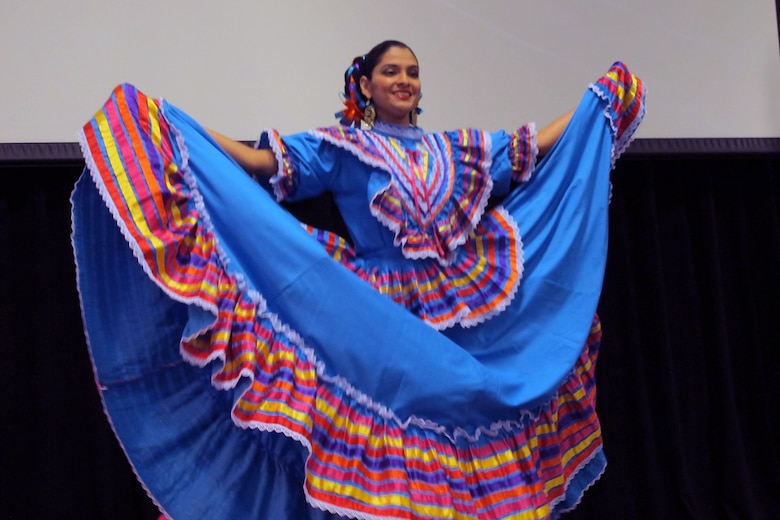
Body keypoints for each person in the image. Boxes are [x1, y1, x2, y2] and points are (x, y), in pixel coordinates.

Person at [71, 39, 645, 519]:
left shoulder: (459, 150)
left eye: (413, 73)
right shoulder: (344, 146)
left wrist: (597, 102)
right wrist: (180, 125)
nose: (404, 80)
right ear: (365, 86)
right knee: (385, 435)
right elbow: (264, 163)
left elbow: (535, 145)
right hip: (377, 315)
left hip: (461, 309)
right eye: (391, 71)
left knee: (468, 412)